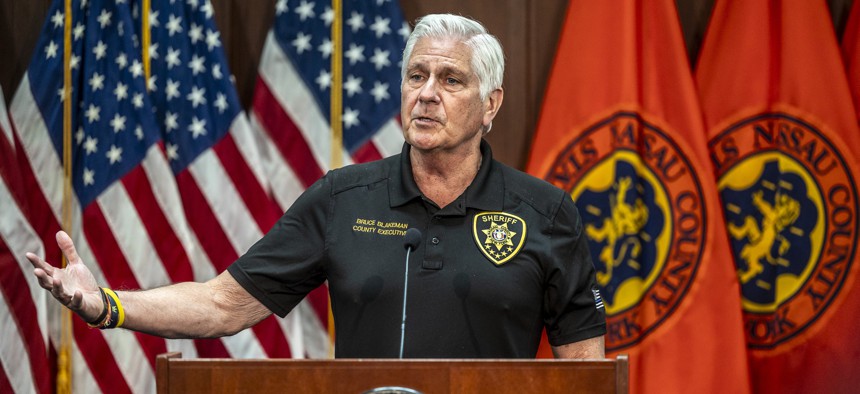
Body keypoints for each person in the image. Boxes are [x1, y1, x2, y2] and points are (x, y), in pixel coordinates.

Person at [27, 14, 606, 359]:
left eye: (451, 79)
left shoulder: (546, 212)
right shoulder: (342, 198)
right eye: (415, 76)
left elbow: (586, 370)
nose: (426, 93)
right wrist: (107, 306)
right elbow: (223, 304)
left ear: (490, 105)